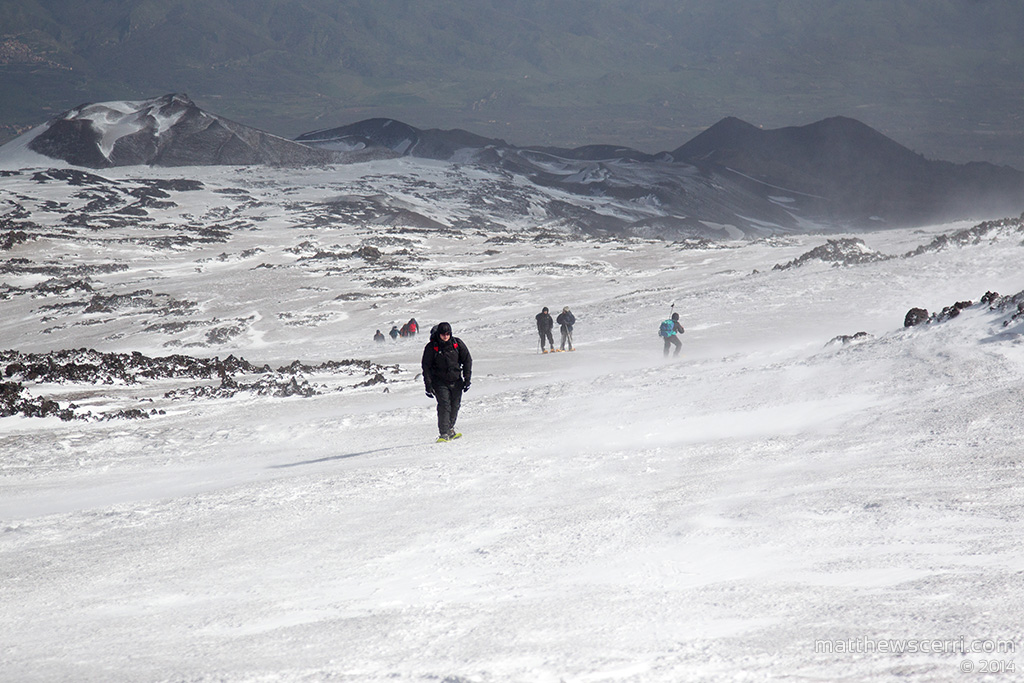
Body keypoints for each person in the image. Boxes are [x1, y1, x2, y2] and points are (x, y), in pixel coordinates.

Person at [421, 322, 473, 442]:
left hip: (456, 380)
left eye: (448, 333)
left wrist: (467, 378)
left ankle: (450, 428)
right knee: (444, 405)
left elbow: (467, 360)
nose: (445, 336)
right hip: (439, 382)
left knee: (455, 405)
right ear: (438, 334)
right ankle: (443, 433)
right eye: (443, 334)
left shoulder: (457, 344)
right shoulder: (431, 347)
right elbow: (426, 367)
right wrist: (428, 385)